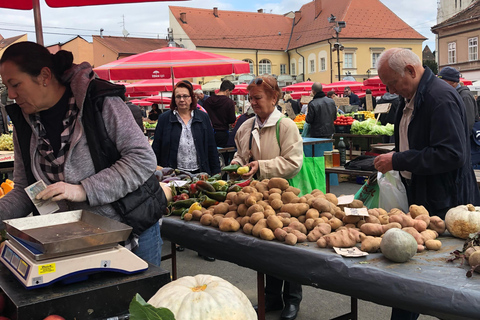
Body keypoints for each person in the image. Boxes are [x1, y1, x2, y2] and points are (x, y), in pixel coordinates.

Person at [0, 41, 171, 266]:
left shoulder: (98, 101)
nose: (11, 95)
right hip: (75, 242)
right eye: (6, 87)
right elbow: (25, 190)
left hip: (131, 230)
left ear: (44, 76)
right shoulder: (24, 123)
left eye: (16, 84)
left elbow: (142, 158)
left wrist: (83, 190)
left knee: (137, 300)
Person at [373, 48, 480, 320]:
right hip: (423, 195)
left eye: (393, 83)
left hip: (446, 200)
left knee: (447, 276)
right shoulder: (410, 97)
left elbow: (453, 154)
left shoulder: (439, 98)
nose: (391, 90)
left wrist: (399, 160)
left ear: (410, 70)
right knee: (413, 272)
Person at [230, 75, 303, 320]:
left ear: (274, 98)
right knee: (267, 247)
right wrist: (235, 164)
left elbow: (293, 163)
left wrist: (261, 166)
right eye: (250, 98)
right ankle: (271, 296)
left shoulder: (286, 126)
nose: (253, 102)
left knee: (288, 249)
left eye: (258, 98)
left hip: (284, 197)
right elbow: (241, 155)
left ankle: (292, 299)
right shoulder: (246, 126)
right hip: (256, 198)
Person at [152, 80, 221, 176]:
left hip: (200, 172)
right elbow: (156, 146)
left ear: (191, 98)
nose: (181, 99)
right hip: (173, 174)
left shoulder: (203, 117)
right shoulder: (164, 119)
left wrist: (216, 171)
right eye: (178, 96)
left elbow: (211, 146)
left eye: (185, 96)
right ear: (174, 99)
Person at [438, 66, 479, 133]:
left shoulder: (464, 96)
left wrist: (460, 140)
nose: (440, 84)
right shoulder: (452, 94)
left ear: (454, 82)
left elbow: (468, 123)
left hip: (465, 140)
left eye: (443, 82)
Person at [202, 79, 236, 147]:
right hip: (222, 133)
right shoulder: (229, 102)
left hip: (208, 132)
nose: (229, 94)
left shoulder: (207, 101)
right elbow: (232, 119)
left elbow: (203, 115)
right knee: (222, 155)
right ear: (227, 91)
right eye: (230, 92)